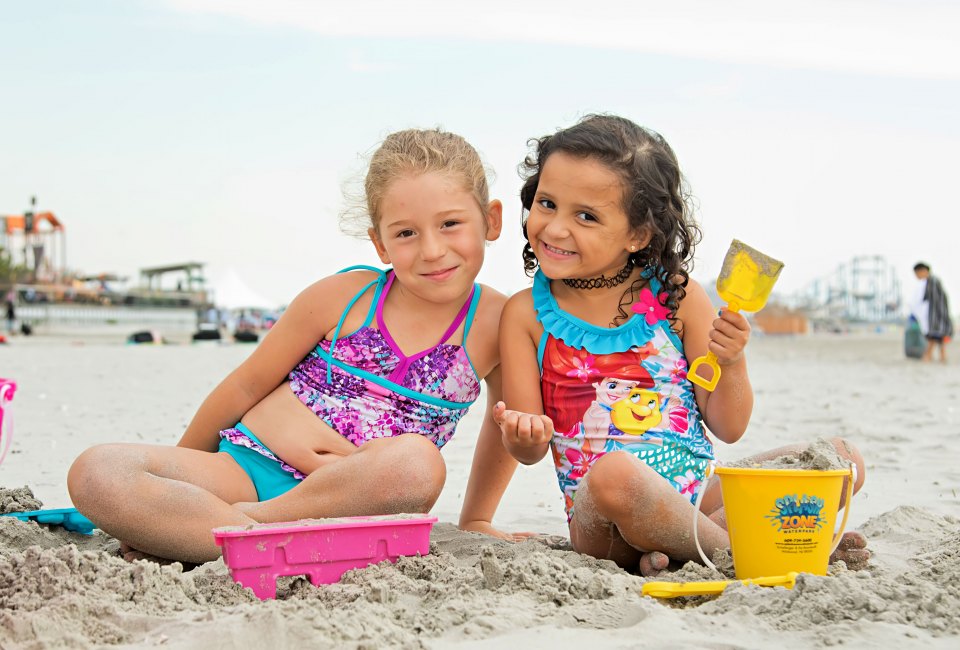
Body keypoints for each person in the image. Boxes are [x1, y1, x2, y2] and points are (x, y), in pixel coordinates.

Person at [68, 128, 522, 564]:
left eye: (450, 224)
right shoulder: (345, 297)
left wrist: (477, 518)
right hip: (244, 469)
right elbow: (246, 385)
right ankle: (243, 534)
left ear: (491, 220)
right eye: (406, 233)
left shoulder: (497, 324)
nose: (431, 250)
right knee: (97, 472)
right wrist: (182, 472)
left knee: (418, 464)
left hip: (353, 500)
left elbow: (503, 427)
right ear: (380, 244)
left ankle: (225, 532)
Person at [471, 114, 868, 575]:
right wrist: (522, 434)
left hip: (698, 497)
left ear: (638, 234)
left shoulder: (678, 297)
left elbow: (729, 426)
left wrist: (733, 362)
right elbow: (530, 451)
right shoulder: (526, 316)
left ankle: (688, 546)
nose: (555, 228)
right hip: (604, 518)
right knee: (615, 474)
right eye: (547, 203)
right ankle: (749, 555)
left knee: (839, 459)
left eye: (586, 215)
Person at [911, 262, 952, 363]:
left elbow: (937, 301)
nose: (917, 277)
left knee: (933, 337)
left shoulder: (932, 281)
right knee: (938, 338)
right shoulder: (929, 282)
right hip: (936, 315)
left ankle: (928, 357)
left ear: (923, 271)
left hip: (936, 316)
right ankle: (941, 357)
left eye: (917, 274)